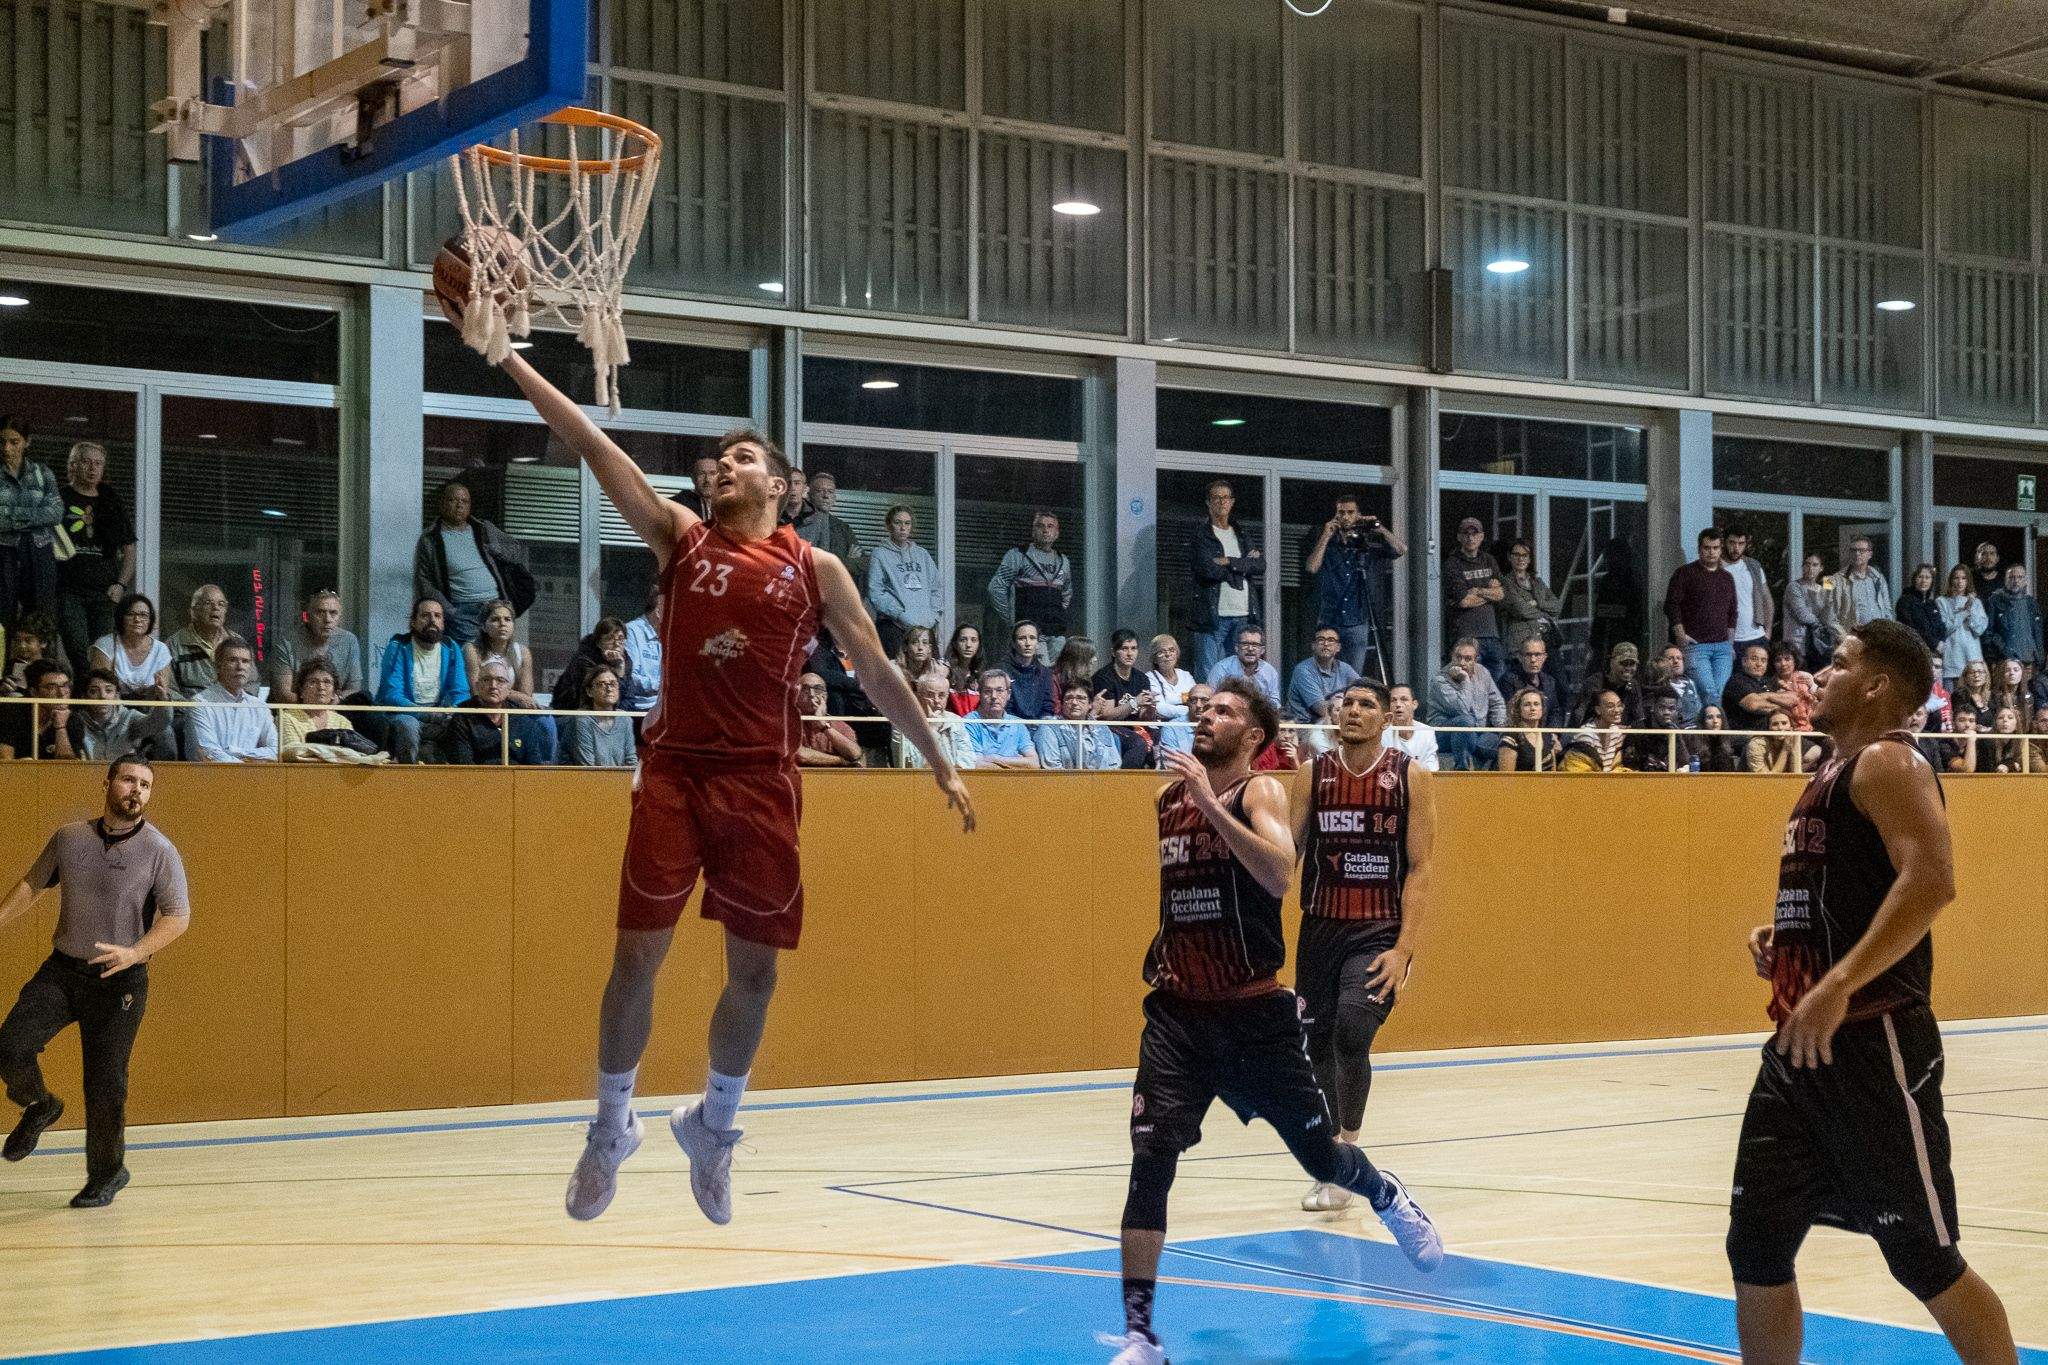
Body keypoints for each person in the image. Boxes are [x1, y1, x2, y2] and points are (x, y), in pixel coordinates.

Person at [477, 331, 974, 1231]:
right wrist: (509, 358)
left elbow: (877, 668)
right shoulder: (679, 535)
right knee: (636, 958)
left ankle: (714, 1125)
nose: (723, 468)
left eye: (742, 458)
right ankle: (610, 1126)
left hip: (763, 782)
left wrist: (937, 756)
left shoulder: (813, 568)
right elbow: (593, 445)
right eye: (718, 460)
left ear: (779, 484)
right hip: (674, 773)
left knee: (755, 976)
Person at [1106, 680, 1440, 1365]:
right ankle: (1141, 1334)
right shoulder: (1167, 799)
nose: (1207, 715)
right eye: (1202, 707)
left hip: (1254, 1013)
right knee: (1150, 1160)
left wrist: (1208, 800)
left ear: (1254, 735)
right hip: (1178, 1016)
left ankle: (1383, 1191)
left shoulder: (1257, 792)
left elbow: (1281, 873)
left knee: (1321, 1157)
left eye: (1224, 710)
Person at [1731, 620, 2016, 1363]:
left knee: (1923, 1257)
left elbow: (1933, 881)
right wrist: (1791, 943)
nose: (1823, 673)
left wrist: (1837, 980)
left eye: (1841, 661)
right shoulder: (1833, 770)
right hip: (1801, 1048)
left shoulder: (1890, 762)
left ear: (1878, 684)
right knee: (1755, 1244)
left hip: (1873, 1039)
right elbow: (1857, 894)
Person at [0, 754, 189, 1207]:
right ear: (107, 783)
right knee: (9, 1045)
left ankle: (107, 1174)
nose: (136, 791)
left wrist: (136, 952)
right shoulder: (70, 838)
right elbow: (31, 884)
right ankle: (40, 1104)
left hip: (119, 981)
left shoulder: (159, 850)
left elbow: (178, 917)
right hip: (63, 971)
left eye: (145, 785)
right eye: (128, 780)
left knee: (105, 1084)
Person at [1289, 681, 1437, 1211]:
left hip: (1377, 931)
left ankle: (1345, 1155)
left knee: (1352, 1034)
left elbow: (1419, 870)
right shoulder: (1312, 775)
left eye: (1365, 704)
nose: (1353, 711)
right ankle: (1332, 1163)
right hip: (1320, 930)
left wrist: (1403, 950)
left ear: (1386, 718)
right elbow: (1288, 855)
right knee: (1318, 1045)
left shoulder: (1408, 777)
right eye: (1346, 704)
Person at [414, 479, 534, 646]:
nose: (459, 505)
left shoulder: (482, 529)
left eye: (464, 501)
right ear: (442, 504)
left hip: (496, 605)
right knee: (471, 660)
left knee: (498, 658)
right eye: (453, 500)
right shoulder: (430, 538)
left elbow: (516, 550)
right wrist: (450, 611)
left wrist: (496, 550)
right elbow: (424, 581)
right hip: (463, 610)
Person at [53, 441, 135, 672]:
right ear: (73, 465)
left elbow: (129, 547)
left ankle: (98, 700)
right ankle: (83, 696)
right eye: (86, 462)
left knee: (102, 652)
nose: (92, 468)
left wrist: (121, 584)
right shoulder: (60, 498)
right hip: (69, 590)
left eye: (98, 463)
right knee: (77, 649)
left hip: (104, 592)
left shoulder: (110, 500)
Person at [1304, 496, 1404, 677]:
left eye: (1350, 513)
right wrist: (1326, 535)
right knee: (1324, 671)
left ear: (1358, 515)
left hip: (1357, 620)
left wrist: (1379, 527)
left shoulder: (1366, 542)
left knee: (1352, 675)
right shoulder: (1327, 542)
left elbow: (1400, 549)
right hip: (1330, 619)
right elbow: (1312, 567)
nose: (1345, 517)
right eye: (1341, 512)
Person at [374, 598, 470, 764]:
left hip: (439, 715)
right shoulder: (398, 646)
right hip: (404, 714)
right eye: (426, 615)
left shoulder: (451, 647)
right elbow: (392, 694)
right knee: (408, 726)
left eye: (437, 616)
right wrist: (426, 713)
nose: (432, 620)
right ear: (413, 621)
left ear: (443, 623)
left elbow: (461, 692)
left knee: (461, 725)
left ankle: (459, 780)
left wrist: (452, 710)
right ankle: (408, 777)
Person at [1186, 479, 1264, 679]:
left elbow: (1259, 565)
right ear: (1208, 503)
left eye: (1225, 497)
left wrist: (1229, 561)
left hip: (1243, 613)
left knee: (1239, 673)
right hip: (1212, 616)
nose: (1221, 502)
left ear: (1232, 502)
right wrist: (1242, 565)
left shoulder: (1241, 533)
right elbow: (1206, 570)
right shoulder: (1201, 534)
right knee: (1209, 672)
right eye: (1216, 497)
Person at [987, 510, 1073, 662]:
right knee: (1040, 673)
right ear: (1033, 531)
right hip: (1030, 634)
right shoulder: (1018, 555)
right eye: (1040, 526)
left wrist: (1057, 613)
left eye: (1050, 526)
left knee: (1054, 678)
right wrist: (1011, 619)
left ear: (1057, 532)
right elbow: (996, 588)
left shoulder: (1063, 560)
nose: (1046, 530)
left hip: (1056, 633)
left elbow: (1066, 592)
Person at [1666, 527, 1739, 706]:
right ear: (1699, 549)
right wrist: (1681, 636)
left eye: (1715, 548)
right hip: (1696, 646)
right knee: (1708, 691)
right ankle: (1713, 733)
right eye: (1707, 548)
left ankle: (1712, 732)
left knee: (1719, 692)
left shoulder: (1727, 577)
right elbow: (1671, 605)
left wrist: (1730, 644)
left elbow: (1732, 612)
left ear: (1721, 549)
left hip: (1723, 647)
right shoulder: (1684, 573)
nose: (1711, 552)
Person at [0, 414, 61, 627]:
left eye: (14, 442)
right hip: (4, 551)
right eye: (2, 441)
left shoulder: (42, 473)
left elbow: (55, 512)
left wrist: (12, 515)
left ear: (27, 442)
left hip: (39, 550)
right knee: (3, 615)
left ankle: (38, 661)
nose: (6, 448)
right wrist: (34, 515)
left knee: (39, 617)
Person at [265, 588, 365, 704]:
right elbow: (283, 694)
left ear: (339, 617)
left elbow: (354, 689)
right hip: (293, 711)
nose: (327, 619)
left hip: (335, 710)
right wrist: (317, 709)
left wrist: (335, 701)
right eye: (320, 613)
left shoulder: (349, 641)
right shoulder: (286, 642)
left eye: (333, 613)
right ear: (307, 616)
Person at [186, 637, 277, 764]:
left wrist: (235, 752)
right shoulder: (199, 703)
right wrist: (249, 763)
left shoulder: (259, 706)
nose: (240, 667)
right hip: (210, 779)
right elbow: (208, 754)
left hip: (255, 779)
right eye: (232, 660)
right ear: (218, 667)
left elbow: (274, 752)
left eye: (245, 661)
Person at [865, 505, 939, 658]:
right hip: (894, 627)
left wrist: (934, 616)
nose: (903, 527)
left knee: (932, 675)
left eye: (907, 523)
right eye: (898, 522)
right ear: (889, 525)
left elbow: (936, 588)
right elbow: (876, 592)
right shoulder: (880, 554)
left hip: (924, 627)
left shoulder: (922, 554)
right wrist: (899, 614)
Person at [277, 658, 380, 761]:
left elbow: (352, 755)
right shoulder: (286, 718)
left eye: (327, 682)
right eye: (313, 681)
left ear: (334, 693)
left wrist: (318, 752)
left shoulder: (342, 721)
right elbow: (293, 754)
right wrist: (336, 755)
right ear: (301, 691)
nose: (321, 687)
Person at [1428, 637, 1505, 771]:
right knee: (1465, 721)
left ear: (1475, 660)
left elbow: (1497, 702)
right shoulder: (1439, 681)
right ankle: (1462, 769)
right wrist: (1465, 680)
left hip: (1478, 733)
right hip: (1445, 733)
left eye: (1468, 659)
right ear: (1452, 656)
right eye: (1458, 657)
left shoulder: (1483, 672)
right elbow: (1462, 710)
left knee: (1504, 742)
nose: (1462, 662)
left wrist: (1501, 728)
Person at [1441, 516, 1505, 674]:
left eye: (1474, 534)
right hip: (1466, 636)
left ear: (1482, 536)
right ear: (1459, 537)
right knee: (1470, 680)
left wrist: (1477, 590)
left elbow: (1501, 594)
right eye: (1466, 534)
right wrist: (1488, 591)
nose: (1471, 538)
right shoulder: (1452, 564)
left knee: (1498, 679)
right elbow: (1464, 601)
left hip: (1492, 634)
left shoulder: (1489, 560)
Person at [88, 593, 172, 703]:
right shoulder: (105, 645)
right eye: (131, 614)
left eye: (143, 615)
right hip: (112, 710)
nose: (137, 619)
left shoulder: (161, 650)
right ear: (121, 618)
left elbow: (163, 696)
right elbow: (100, 691)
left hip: (150, 712)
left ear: (150, 620)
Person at [1285, 627, 1361, 749]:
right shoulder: (1303, 670)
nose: (1326, 644)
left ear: (1338, 647)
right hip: (1306, 727)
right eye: (1321, 640)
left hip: (1334, 724)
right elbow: (1322, 710)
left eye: (1331, 640)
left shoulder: (1345, 669)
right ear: (1313, 646)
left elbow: (1364, 690)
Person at [1092, 630, 1156, 769]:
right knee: (1138, 743)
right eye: (1124, 649)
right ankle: (1121, 786)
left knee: (1162, 739)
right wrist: (1134, 703)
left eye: (1133, 648)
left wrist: (1151, 708)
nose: (1129, 653)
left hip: (1135, 726)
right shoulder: (1103, 677)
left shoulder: (1142, 678)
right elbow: (1107, 716)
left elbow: (1144, 718)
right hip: (1110, 727)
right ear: (1114, 652)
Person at [552, 618, 636, 726]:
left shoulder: (625, 661)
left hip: (611, 717)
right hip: (573, 716)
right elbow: (599, 698)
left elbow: (630, 697)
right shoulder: (584, 660)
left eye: (621, 638)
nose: (616, 644)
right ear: (599, 642)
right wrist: (619, 673)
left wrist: (619, 713)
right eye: (610, 638)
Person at [74, 668, 168, 763]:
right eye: (94, 691)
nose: (102, 696)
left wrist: (163, 698)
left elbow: (159, 723)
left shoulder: (129, 718)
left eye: (109, 690)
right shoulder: (76, 721)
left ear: (117, 696)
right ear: (84, 697)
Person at [0, 659, 83, 761]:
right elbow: (4, 761)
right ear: (33, 692)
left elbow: (69, 768)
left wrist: (61, 728)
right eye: (51, 687)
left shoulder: (74, 719)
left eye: (65, 685)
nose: (61, 693)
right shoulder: (10, 712)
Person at [1497, 539, 1561, 668]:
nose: (1521, 559)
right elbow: (1521, 609)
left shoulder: (1537, 582)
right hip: (1522, 645)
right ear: (1510, 557)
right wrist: (1543, 610)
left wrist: (1536, 602)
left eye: (1525, 555)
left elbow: (1557, 607)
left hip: (1547, 640)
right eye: (1517, 555)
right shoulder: (1505, 582)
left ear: (1530, 559)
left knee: (1559, 684)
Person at [893, 675, 976, 772]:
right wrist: (931, 730)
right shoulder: (901, 723)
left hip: (953, 780)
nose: (936, 700)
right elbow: (909, 765)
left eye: (941, 695)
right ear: (918, 696)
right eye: (930, 695)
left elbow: (968, 762)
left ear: (947, 697)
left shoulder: (956, 721)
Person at [961, 669, 1040, 770]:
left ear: (1008, 694)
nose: (994, 696)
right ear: (979, 694)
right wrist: (1016, 763)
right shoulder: (969, 723)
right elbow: (976, 764)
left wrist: (996, 758)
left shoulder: (1017, 724)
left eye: (999, 691)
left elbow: (1034, 763)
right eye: (988, 691)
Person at [1035, 681, 1122, 771]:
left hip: (1102, 782)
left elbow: (1114, 764)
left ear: (1090, 704)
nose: (1074, 702)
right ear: (1062, 704)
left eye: (1081, 698)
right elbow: (1052, 767)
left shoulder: (1102, 728)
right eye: (1068, 698)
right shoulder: (1049, 727)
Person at [558, 666, 633, 768]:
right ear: (589, 691)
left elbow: (631, 761)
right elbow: (588, 768)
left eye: (613, 684)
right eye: (601, 684)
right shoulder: (581, 719)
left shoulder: (624, 719)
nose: (609, 688)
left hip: (617, 781)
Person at [165, 584, 230, 700]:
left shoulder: (236, 642)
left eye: (221, 604)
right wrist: (194, 711)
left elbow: (251, 684)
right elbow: (169, 690)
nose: (216, 608)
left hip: (232, 714)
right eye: (208, 603)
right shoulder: (174, 645)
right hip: (190, 714)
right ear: (194, 611)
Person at [792, 470, 859, 578]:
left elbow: (861, 561)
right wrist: (845, 562)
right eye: (819, 491)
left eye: (830, 492)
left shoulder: (842, 528)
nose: (826, 496)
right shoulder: (798, 521)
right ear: (809, 495)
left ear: (834, 498)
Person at [1723, 528, 1776, 659]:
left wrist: (1767, 632)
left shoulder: (1753, 565)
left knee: (1757, 678)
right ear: (1724, 542)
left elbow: (1767, 599)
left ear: (1746, 545)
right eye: (1732, 542)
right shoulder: (1716, 567)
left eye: (1741, 543)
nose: (1736, 548)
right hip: (1728, 638)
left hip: (1756, 635)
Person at [1783, 553, 1841, 672]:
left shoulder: (1824, 586)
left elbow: (1830, 613)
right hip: (1799, 642)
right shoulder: (1794, 586)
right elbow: (1803, 616)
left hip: (1819, 643)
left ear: (1821, 568)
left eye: (1815, 565)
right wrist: (1823, 622)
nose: (1810, 568)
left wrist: (1829, 591)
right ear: (1802, 566)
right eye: (1807, 564)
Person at [1935, 565, 1987, 690]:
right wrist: (1964, 612)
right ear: (1951, 580)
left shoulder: (1976, 602)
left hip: (1972, 659)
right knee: (1951, 702)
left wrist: (1970, 610)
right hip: (1952, 659)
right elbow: (1945, 627)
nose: (1960, 582)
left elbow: (1980, 629)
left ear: (1968, 581)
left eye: (1963, 578)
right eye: (1956, 578)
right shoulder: (1941, 601)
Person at [794, 672, 862, 768]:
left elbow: (855, 755)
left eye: (818, 689)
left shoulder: (839, 726)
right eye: (805, 689)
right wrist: (839, 760)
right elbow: (798, 754)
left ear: (825, 696)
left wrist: (824, 726)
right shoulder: (786, 723)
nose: (812, 694)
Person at [1498, 636, 1567, 728]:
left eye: (1537, 655)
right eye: (1528, 655)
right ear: (1520, 657)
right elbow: (1511, 714)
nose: (1533, 660)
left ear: (1544, 657)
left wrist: (1553, 734)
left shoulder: (1550, 681)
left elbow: (1555, 712)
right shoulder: (1508, 681)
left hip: (1545, 735)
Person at [1723, 641, 1796, 728]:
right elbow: (1753, 705)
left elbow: (1793, 699)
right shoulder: (1736, 681)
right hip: (1746, 736)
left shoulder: (1770, 681)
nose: (1759, 664)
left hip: (1770, 736)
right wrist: (1780, 702)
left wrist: (1767, 696)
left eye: (1763, 660)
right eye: (1754, 659)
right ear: (1744, 661)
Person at [1145, 635, 1197, 753]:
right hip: (1163, 727)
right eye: (1162, 652)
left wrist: (1171, 702)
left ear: (1177, 654)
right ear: (1154, 658)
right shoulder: (1149, 677)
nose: (1168, 655)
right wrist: (1187, 709)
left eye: (1171, 650)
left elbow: (1196, 700)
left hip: (1189, 725)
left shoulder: (1186, 675)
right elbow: (1160, 708)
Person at [1206, 624, 1280, 707]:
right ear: (1237, 648)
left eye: (1255, 645)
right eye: (1245, 644)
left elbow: (1275, 704)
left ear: (1262, 650)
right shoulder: (1221, 669)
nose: (1250, 649)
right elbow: (1211, 700)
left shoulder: (1270, 672)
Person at [1558, 689, 1629, 773]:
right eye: (1610, 706)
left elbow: (1615, 767)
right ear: (1598, 710)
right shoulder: (1586, 734)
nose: (1617, 710)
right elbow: (1579, 770)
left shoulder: (1616, 732)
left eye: (1619, 705)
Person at [1986, 565, 2042, 671]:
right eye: (2011, 577)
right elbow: (1988, 632)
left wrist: (2039, 658)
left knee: (2027, 688)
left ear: (2025, 581)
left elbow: (2038, 633)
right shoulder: (1995, 601)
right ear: (2005, 580)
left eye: (2020, 577)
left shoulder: (2031, 603)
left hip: (2029, 661)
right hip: (2004, 661)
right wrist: (1999, 651)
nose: (2015, 581)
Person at [1624, 686, 1692, 773]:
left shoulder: (1678, 730)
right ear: (1653, 706)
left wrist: (1677, 737)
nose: (1667, 712)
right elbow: (1628, 762)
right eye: (1662, 707)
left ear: (1676, 711)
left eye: (1671, 709)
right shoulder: (1638, 728)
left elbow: (1685, 763)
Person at [1830, 536, 1893, 628]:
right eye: (1853, 550)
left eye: (1861, 550)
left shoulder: (1878, 578)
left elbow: (1887, 608)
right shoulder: (1836, 579)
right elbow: (1829, 613)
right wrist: (1841, 635)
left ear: (1870, 554)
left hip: (1879, 634)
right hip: (1854, 635)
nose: (1857, 554)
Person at [620, 582, 664, 713]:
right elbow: (631, 678)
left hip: (661, 706)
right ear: (658, 611)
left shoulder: (667, 634)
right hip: (639, 707)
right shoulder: (632, 631)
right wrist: (659, 685)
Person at [1003, 621, 1057, 721]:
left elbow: (1048, 707)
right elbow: (1005, 707)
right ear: (1014, 643)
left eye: (1032, 638)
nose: (1028, 643)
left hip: (1040, 726)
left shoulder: (1045, 673)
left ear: (1037, 643)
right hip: (1012, 725)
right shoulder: (1002, 671)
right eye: (1022, 638)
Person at [1497, 687, 1559, 772]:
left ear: (1542, 709)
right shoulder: (1511, 737)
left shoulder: (1548, 735)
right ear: (1519, 709)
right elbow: (1506, 778)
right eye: (1527, 704)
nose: (1532, 708)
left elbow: (1553, 774)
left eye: (1536, 704)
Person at [1386, 682, 1439, 771]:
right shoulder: (1382, 732)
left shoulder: (1427, 732)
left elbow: (1432, 768)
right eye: (1393, 700)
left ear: (1414, 704)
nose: (1398, 704)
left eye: (1404, 699)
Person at [1651, 642, 1704, 728]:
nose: (1676, 661)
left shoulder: (1691, 683)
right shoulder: (1659, 685)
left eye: (1679, 658)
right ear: (1662, 663)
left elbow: (1699, 711)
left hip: (1694, 731)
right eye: (1670, 658)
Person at [1155, 682, 1210, 762]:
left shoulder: (1219, 727)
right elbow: (1171, 764)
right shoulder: (1171, 728)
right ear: (1188, 703)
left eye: (1204, 700)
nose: (1198, 705)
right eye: (1194, 700)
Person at [1895, 564, 1943, 655]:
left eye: (1927, 577)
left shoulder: (1932, 604)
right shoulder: (1905, 601)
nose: (1924, 581)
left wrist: (1940, 643)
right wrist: (1934, 644)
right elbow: (1910, 629)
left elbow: (1940, 627)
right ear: (1914, 579)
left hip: (1934, 653)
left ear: (1932, 581)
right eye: (1920, 577)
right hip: (1913, 652)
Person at [942, 624, 984, 716]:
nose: (968, 645)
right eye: (963, 640)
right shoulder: (944, 670)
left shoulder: (980, 674)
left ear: (979, 645)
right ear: (955, 644)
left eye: (973, 640)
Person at [893, 624, 948, 694]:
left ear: (929, 649)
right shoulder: (894, 669)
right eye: (915, 642)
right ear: (905, 647)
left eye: (925, 643)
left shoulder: (936, 669)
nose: (920, 648)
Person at [1696, 703, 1745, 773]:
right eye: (1710, 717)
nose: (1715, 721)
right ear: (1703, 721)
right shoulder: (1694, 741)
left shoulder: (1730, 740)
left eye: (1719, 717)